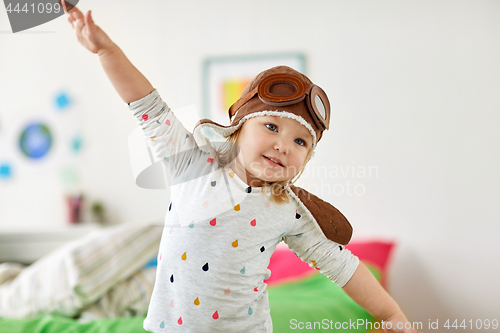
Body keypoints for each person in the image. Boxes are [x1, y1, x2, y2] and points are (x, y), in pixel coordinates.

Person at [64, 5, 421, 333]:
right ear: (239, 127)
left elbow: (340, 264)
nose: (284, 145)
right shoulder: (192, 162)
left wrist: (390, 313)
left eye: (301, 142)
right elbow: (148, 107)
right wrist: (106, 51)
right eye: (271, 127)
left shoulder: (289, 210)